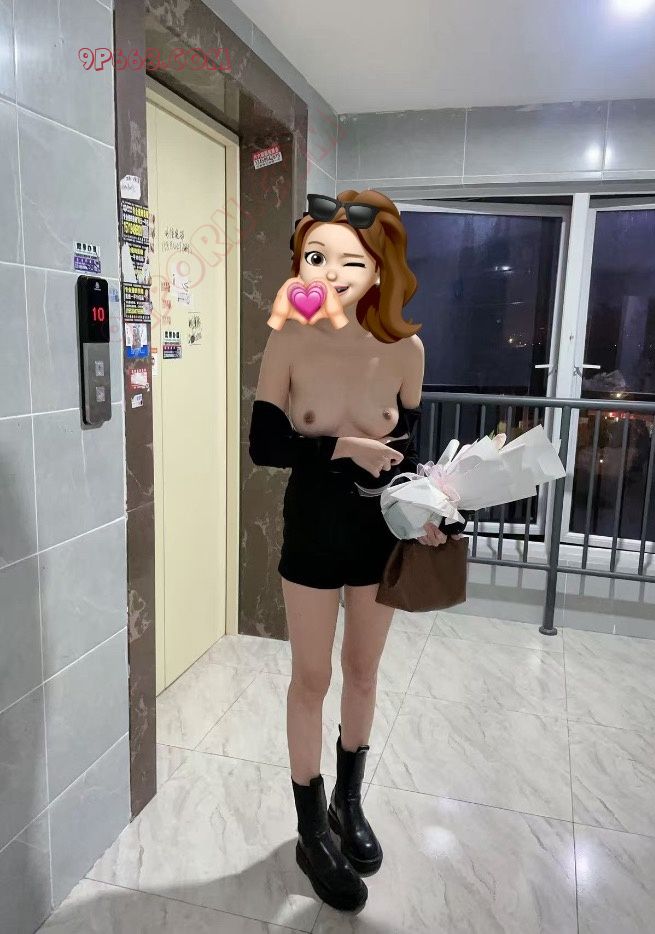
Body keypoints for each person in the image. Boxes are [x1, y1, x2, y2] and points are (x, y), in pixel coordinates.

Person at [249, 190, 465, 912]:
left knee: (364, 673)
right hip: (313, 525)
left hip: (379, 532)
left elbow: (409, 455)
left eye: (351, 260)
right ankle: (311, 827)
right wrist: (340, 445)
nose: (332, 273)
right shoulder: (290, 339)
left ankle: (348, 802)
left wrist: (432, 508)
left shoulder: (407, 350)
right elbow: (265, 444)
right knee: (310, 678)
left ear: (381, 267)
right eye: (318, 257)